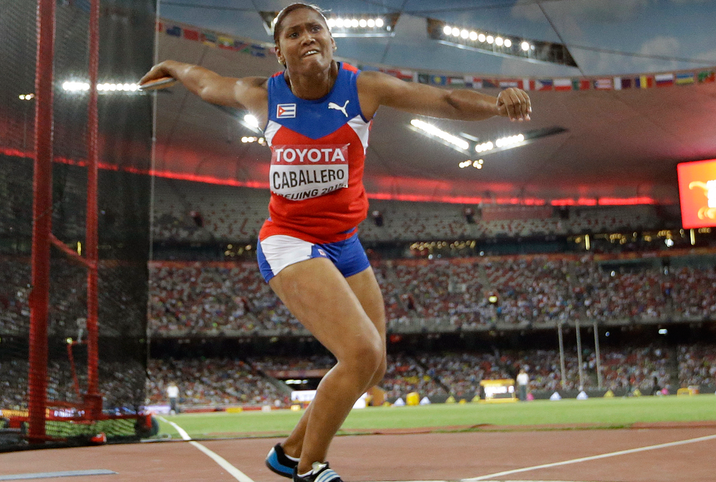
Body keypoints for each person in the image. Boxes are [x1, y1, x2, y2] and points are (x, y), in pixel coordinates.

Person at [139, 4, 531, 482]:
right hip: (288, 240)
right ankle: (310, 467)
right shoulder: (262, 95)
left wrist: (497, 102)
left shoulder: (363, 88)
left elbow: (445, 102)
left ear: (332, 41)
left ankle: (286, 452)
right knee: (361, 353)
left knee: (375, 365)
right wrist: (174, 67)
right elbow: (206, 81)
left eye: (315, 29)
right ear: (278, 52)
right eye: (294, 33)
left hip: (344, 242)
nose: (307, 36)